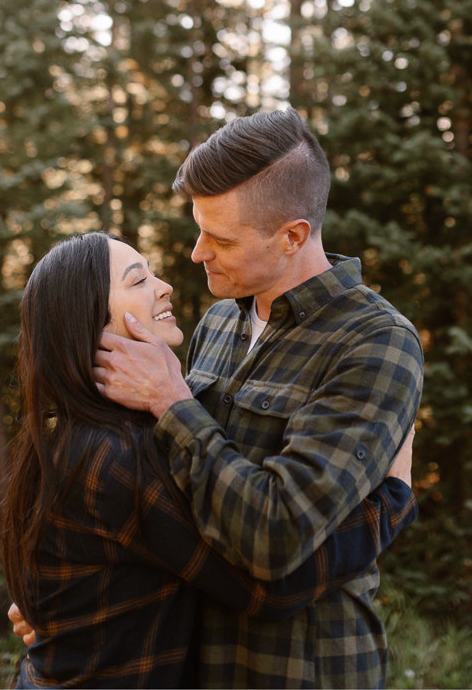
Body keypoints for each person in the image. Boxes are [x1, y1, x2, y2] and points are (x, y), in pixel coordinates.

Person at [82, 108, 425, 687]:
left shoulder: (375, 343)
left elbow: (276, 536)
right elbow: (178, 501)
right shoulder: (218, 323)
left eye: (219, 238)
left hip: (299, 670)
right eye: (199, 229)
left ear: (292, 236)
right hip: (194, 659)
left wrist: (172, 402)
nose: (196, 253)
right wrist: (75, 602)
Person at [1, 231, 417, 689]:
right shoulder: (115, 455)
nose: (164, 286)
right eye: (139, 281)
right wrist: (390, 503)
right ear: (92, 325)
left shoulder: (92, 432)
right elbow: (268, 589)